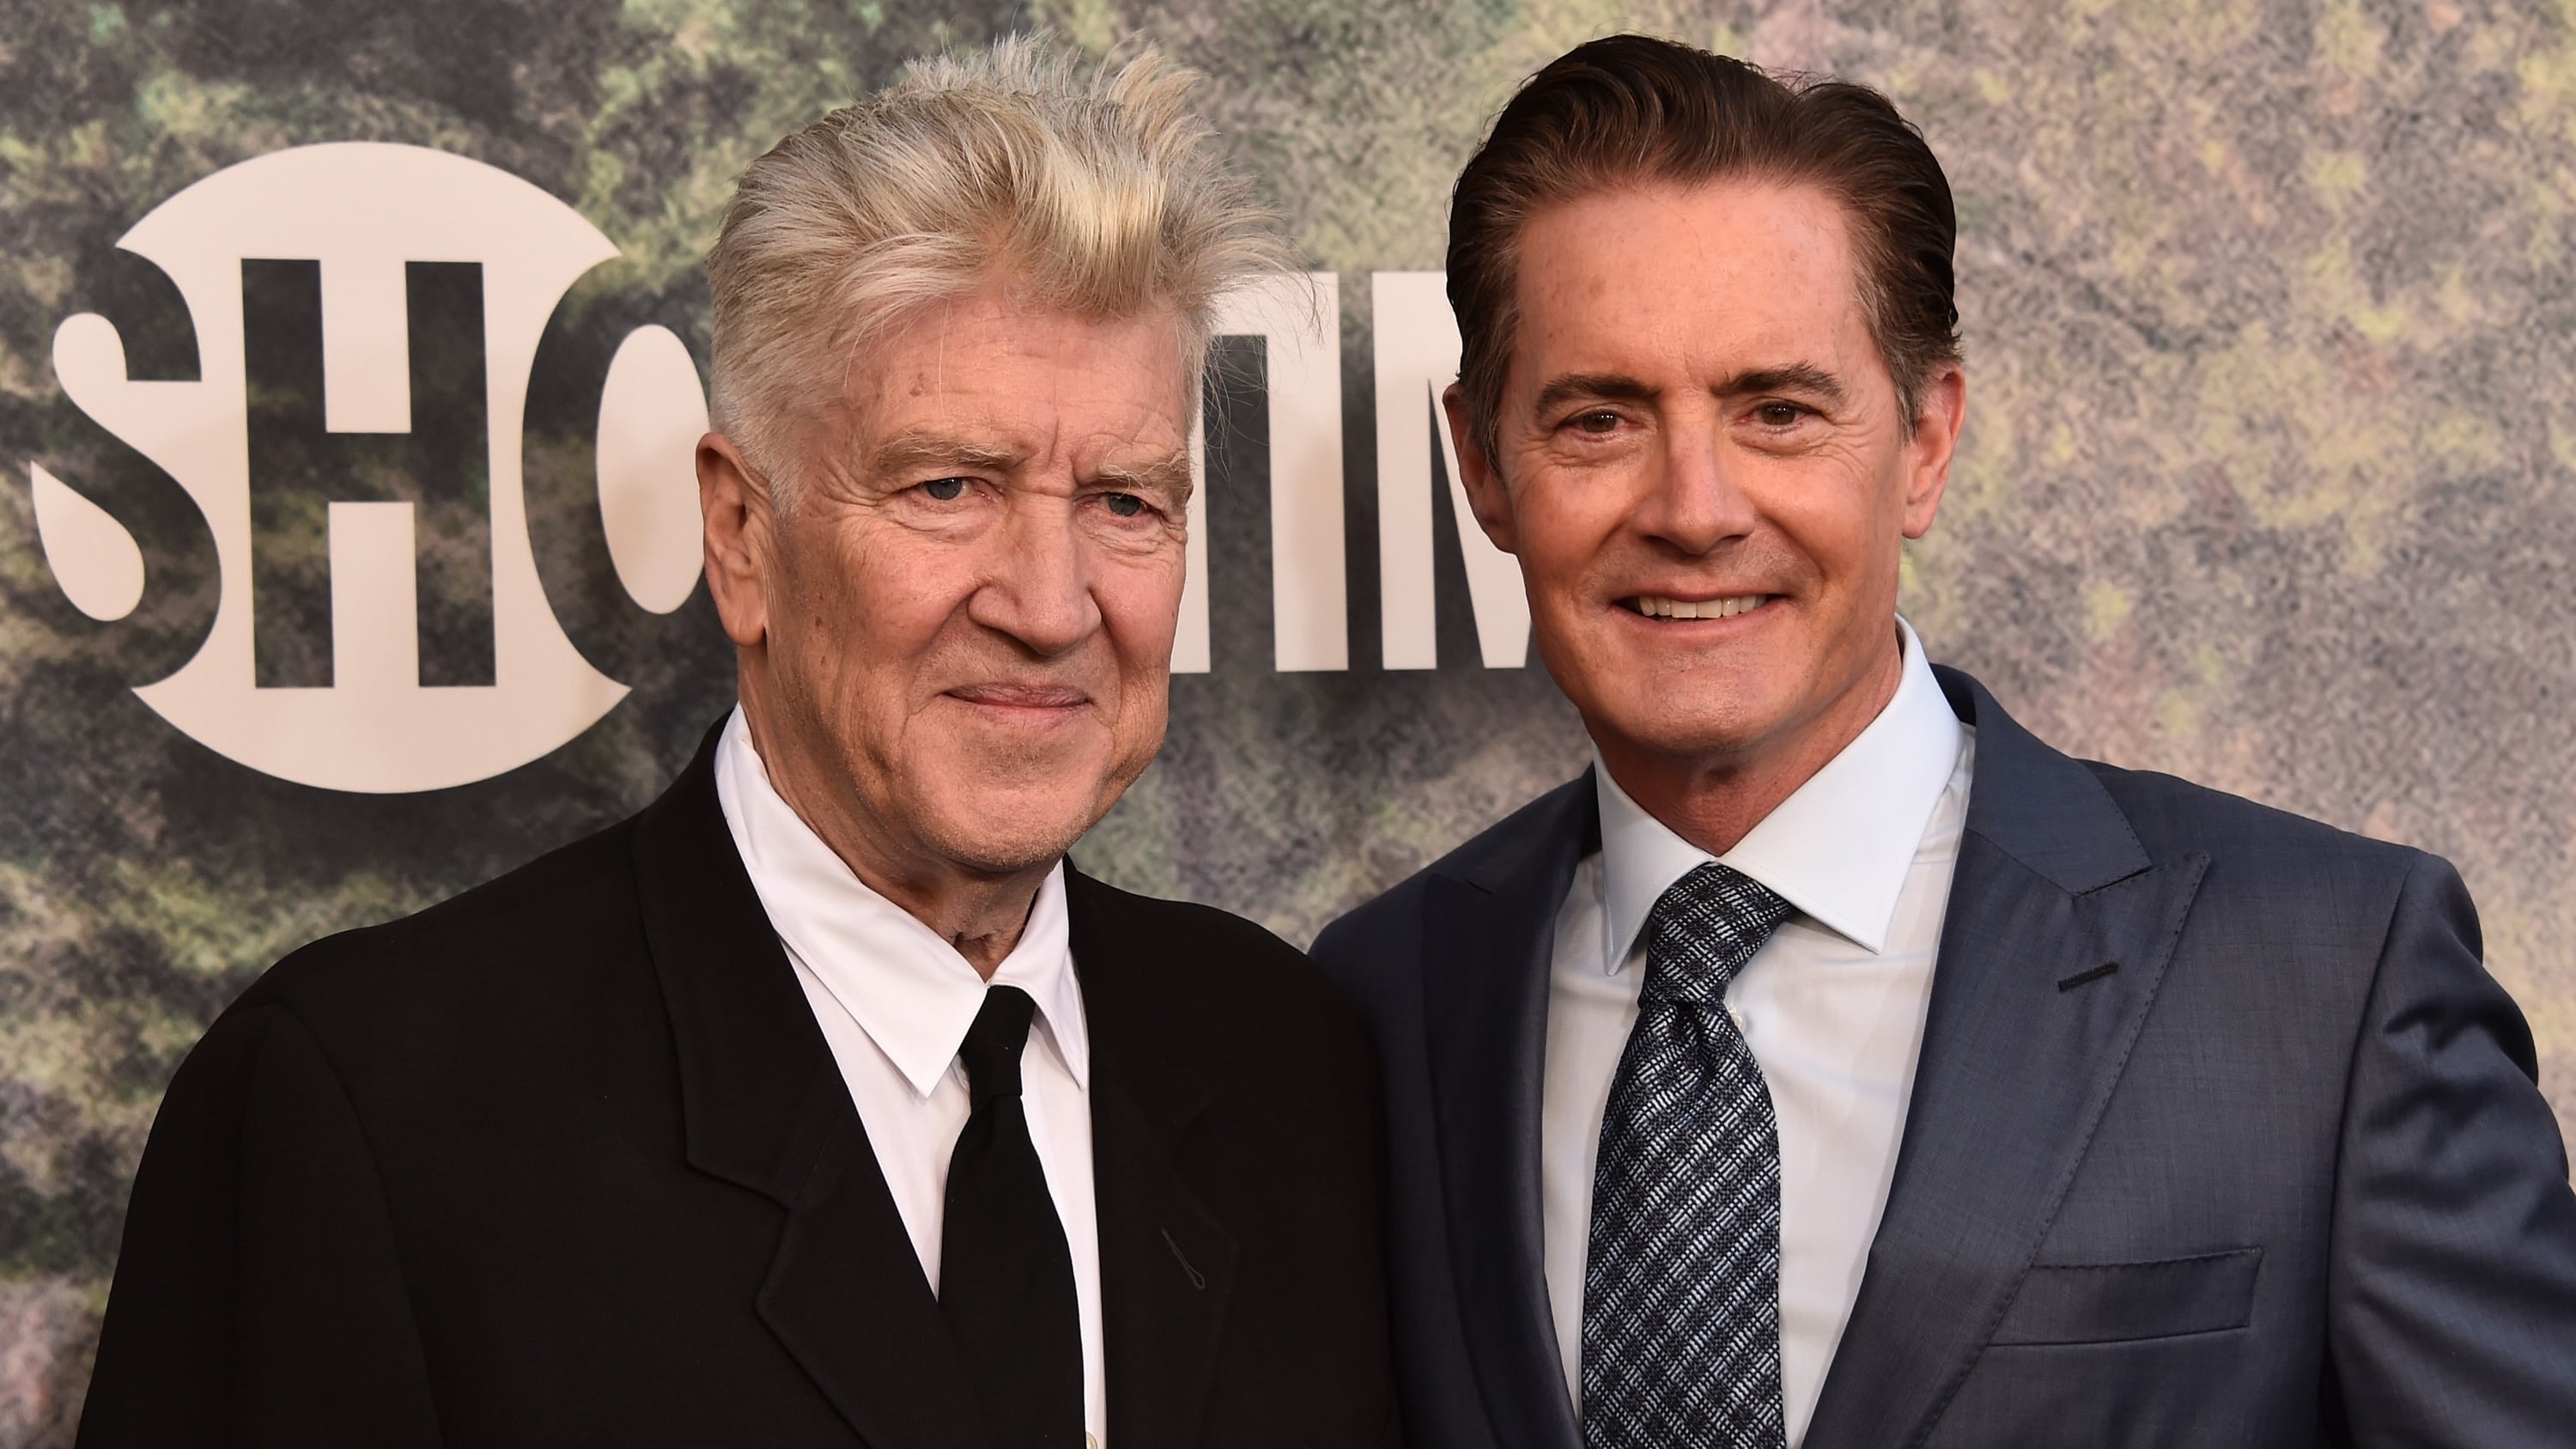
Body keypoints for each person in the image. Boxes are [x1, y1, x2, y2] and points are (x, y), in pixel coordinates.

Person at [79, 38, 1399, 1449]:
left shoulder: (1290, 1065)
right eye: (949, 485)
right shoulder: (366, 1111)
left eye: (1128, 502)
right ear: (742, 536)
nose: (1052, 603)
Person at [1312, 33, 2576, 1449]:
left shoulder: (2326, 985)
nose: (1693, 506)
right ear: (1484, 466)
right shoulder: (1377, 1003)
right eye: (1599, 420)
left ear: (1924, 440)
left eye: (1777, 411)